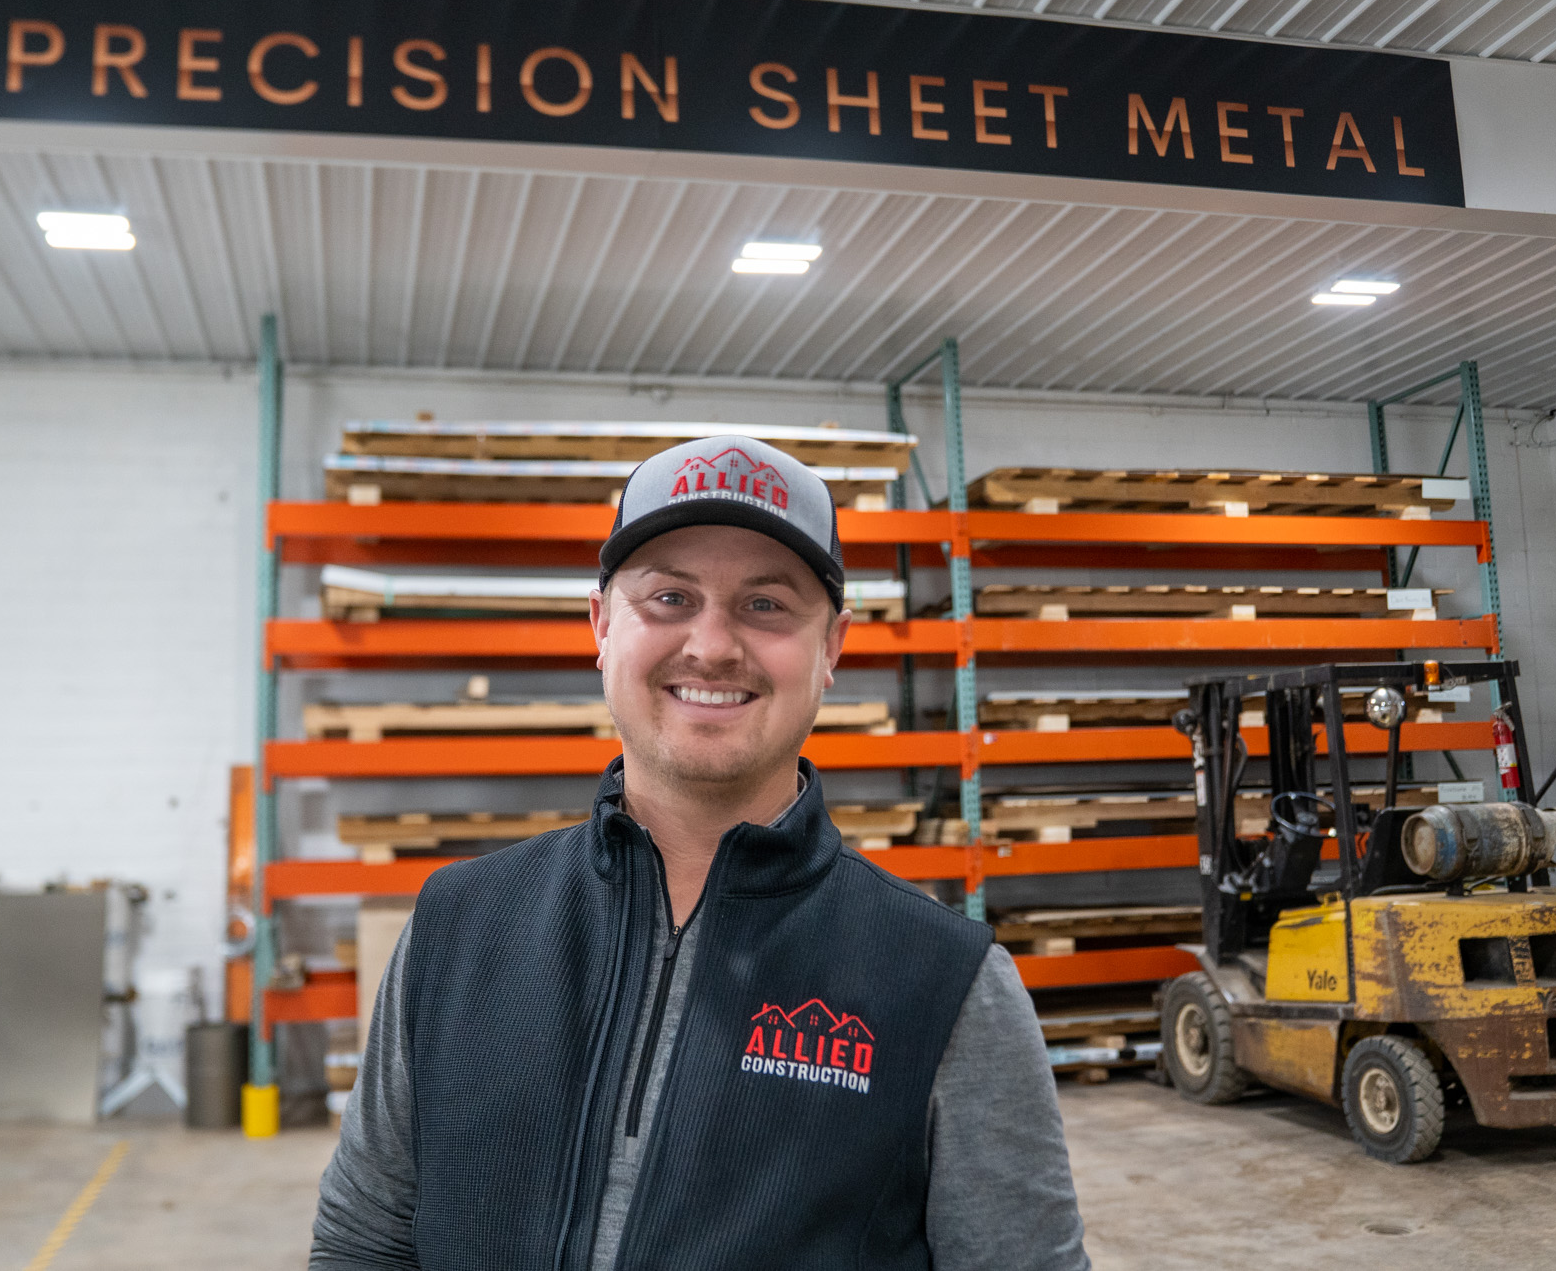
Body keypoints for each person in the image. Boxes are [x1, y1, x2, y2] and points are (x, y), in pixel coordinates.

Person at [311, 434, 1088, 1270]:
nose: (712, 645)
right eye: (671, 597)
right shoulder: (458, 927)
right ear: (602, 626)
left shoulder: (944, 982)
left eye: (766, 604)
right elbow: (364, 1241)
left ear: (832, 647)